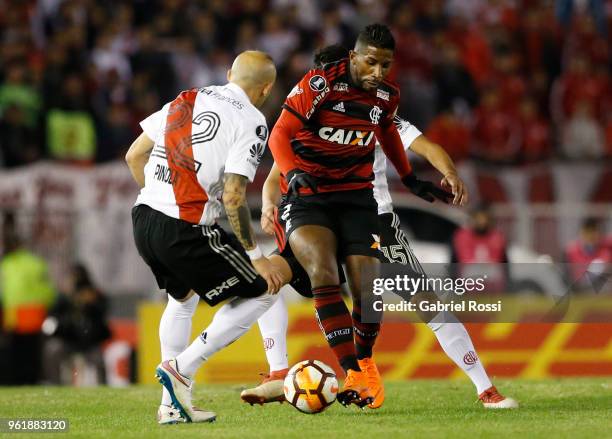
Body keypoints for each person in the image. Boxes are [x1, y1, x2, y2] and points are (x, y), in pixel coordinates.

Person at [241, 45, 518, 410]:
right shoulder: (312, 109)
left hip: (373, 219)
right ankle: (282, 372)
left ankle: (484, 388)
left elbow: (425, 146)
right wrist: (271, 200)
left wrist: (448, 171)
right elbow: (280, 164)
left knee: (424, 303)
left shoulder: (375, 113)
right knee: (267, 277)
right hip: (318, 214)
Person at [267, 24, 452, 408]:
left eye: (386, 65)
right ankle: (351, 372)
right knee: (323, 271)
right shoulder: (320, 84)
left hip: (356, 197)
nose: (378, 72)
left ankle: (364, 361)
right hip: (310, 195)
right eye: (371, 62)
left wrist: (410, 178)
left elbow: (386, 133)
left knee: (369, 289)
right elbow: (279, 135)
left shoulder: (386, 96)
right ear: (354, 57)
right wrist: (292, 172)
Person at [126, 50, 308, 424]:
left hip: (144, 218)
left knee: (182, 298)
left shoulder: (186, 98)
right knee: (265, 285)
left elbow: (134, 156)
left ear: (229, 74)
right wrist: (255, 253)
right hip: (184, 228)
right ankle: (183, 367)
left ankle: (170, 406)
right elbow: (234, 195)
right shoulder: (252, 120)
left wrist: (161, 200)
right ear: (267, 88)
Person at [42, 263, 111, 385]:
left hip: (89, 343)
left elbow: (102, 316)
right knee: (52, 349)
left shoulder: (94, 295)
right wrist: (69, 303)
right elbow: (52, 320)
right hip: (68, 340)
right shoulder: (63, 298)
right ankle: (55, 384)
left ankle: (103, 386)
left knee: (98, 359)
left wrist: (90, 304)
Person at [565, 217, 612, 291]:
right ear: (581, 233)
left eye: (593, 232)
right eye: (587, 232)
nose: (590, 236)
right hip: (579, 288)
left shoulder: (607, 247)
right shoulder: (571, 251)